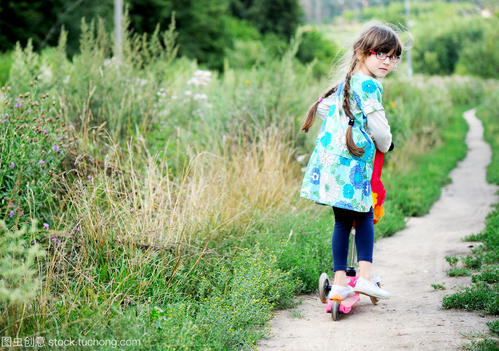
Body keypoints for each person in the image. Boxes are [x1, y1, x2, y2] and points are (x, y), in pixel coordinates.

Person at [300, 25, 402, 301]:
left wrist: (344, 124)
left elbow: (323, 108)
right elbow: (380, 128)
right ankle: (365, 278)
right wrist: (384, 143)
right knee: (365, 214)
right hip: (352, 163)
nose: (387, 61)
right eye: (381, 53)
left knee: (342, 221)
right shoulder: (369, 84)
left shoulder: (345, 82)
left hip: (329, 160)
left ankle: (341, 282)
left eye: (393, 57)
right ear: (361, 52)